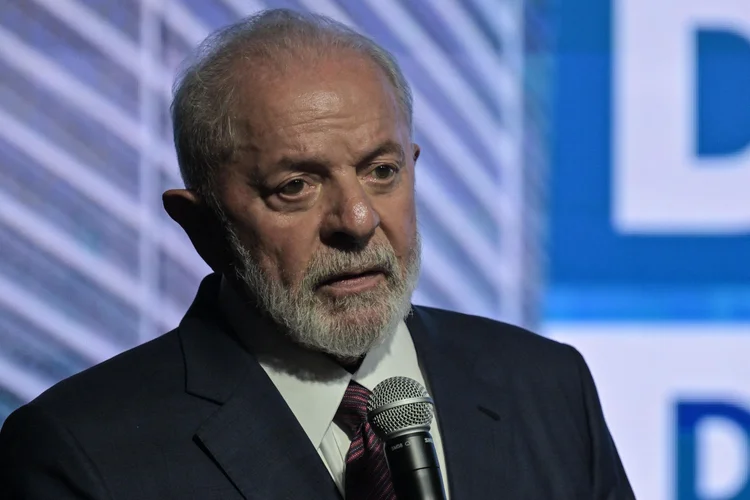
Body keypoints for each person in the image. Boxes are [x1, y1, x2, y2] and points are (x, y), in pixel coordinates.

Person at [0, 8, 634, 500]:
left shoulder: (548, 386)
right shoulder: (80, 451)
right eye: (295, 186)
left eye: (381, 171)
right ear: (200, 225)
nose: (357, 221)